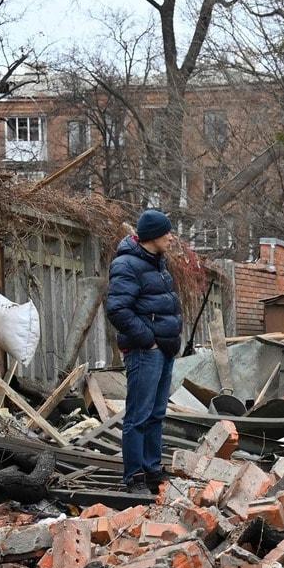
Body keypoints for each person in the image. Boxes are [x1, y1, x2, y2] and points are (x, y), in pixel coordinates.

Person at [105, 210, 183, 495]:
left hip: (164, 350)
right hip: (145, 351)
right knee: (138, 415)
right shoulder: (127, 264)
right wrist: (147, 340)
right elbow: (117, 309)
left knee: (156, 413)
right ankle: (134, 477)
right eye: (167, 232)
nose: (171, 237)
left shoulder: (158, 263)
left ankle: (152, 471)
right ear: (152, 235)